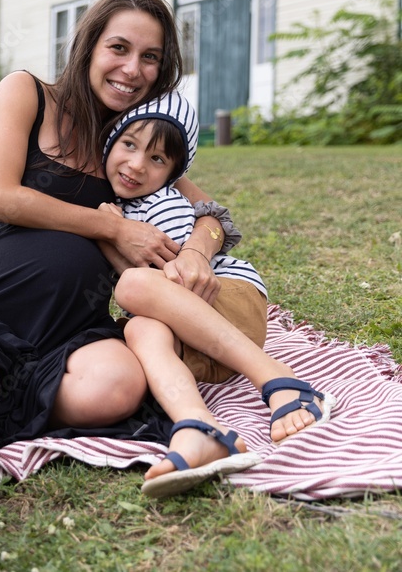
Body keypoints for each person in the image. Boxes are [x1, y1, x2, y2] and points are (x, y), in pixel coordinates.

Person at [0, 0, 279, 572]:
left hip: (75, 323)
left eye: (150, 57)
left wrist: (198, 248)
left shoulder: (134, 133)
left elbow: (210, 210)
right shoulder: (27, 93)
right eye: (119, 47)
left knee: (117, 386)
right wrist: (112, 229)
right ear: (89, 43)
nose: (132, 68)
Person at [99, 92, 335, 498]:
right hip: (192, 342)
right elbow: (133, 283)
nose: (137, 165)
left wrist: (195, 252)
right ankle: (200, 428)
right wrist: (107, 232)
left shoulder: (171, 194)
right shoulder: (107, 209)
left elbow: (216, 219)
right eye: (129, 145)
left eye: (157, 159)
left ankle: (279, 379)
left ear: (173, 170)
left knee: (134, 286)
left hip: (228, 297)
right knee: (140, 329)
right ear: (110, 144)